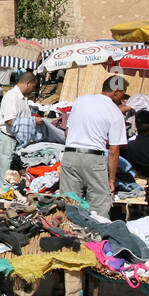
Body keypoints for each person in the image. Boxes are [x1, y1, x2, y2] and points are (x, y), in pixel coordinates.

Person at [61, 75, 130, 217]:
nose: (123, 98)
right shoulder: (115, 111)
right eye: (123, 92)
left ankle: (69, 235)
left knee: (69, 201)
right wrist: (111, 180)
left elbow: (67, 131)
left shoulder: (80, 101)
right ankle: (96, 236)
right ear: (116, 91)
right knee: (99, 204)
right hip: (93, 158)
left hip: (69, 155)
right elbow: (114, 150)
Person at [0, 72, 38, 187]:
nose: (33, 90)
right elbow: (10, 120)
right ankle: (0, 198)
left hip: (16, 140)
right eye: (33, 87)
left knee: (13, 175)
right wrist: (33, 122)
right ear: (28, 83)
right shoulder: (11, 97)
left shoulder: (23, 98)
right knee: (5, 174)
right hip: (7, 139)